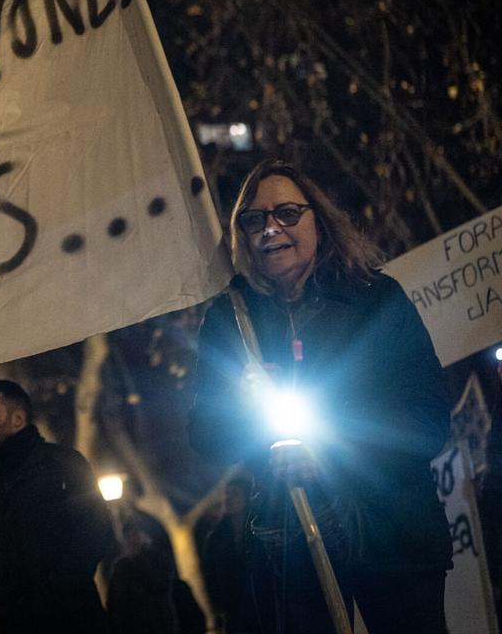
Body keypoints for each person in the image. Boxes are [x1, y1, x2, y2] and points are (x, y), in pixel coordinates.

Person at [188, 159, 452, 634]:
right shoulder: (231, 322)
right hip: (290, 547)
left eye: (287, 212)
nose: (271, 228)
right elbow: (206, 435)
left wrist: (329, 451)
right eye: (254, 219)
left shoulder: (374, 299)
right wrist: (240, 408)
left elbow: (427, 418)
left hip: (391, 535)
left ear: (319, 220)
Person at [0, 379, 113, 633]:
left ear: (18, 419)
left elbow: (96, 529)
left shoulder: (64, 465)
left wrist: (62, 586)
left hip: (73, 617)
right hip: (13, 621)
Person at [200, 474, 254, 634]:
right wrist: (218, 603)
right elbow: (209, 572)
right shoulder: (216, 536)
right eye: (227, 494)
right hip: (233, 609)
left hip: (263, 603)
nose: (228, 499)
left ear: (247, 497)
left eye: (235, 494)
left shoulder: (258, 528)